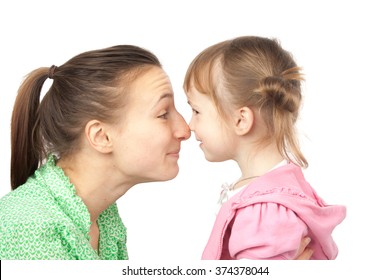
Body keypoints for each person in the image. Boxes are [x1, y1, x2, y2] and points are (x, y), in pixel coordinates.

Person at [0, 44, 312, 260]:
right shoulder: (27, 229)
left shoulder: (105, 222)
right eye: (164, 113)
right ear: (101, 136)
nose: (185, 130)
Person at [183, 36, 346, 260]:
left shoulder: (264, 211)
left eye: (197, 111)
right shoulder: (273, 193)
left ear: (241, 120)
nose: (190, 126)